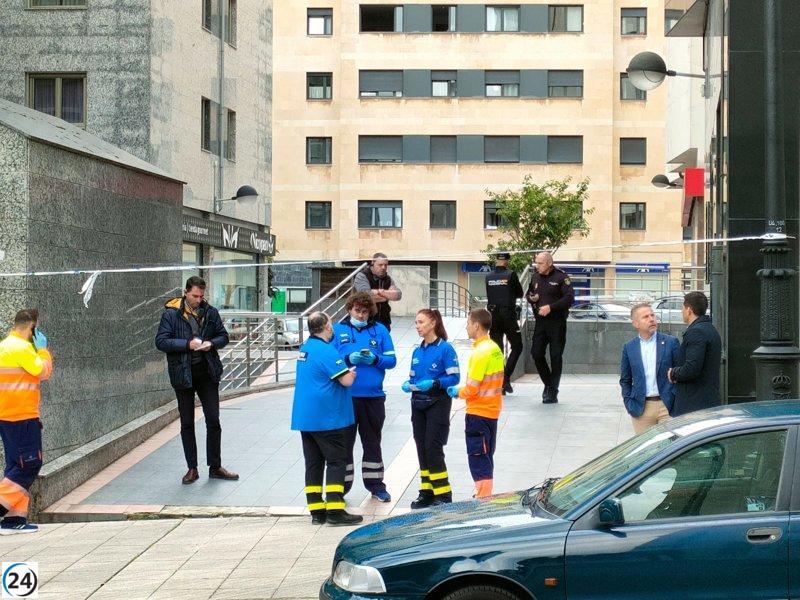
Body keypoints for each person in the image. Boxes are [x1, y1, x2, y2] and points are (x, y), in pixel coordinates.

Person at [155, 276, 239, 485]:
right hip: (183, 374)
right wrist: (187, 344)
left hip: (207, 373)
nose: (198, 300)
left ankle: (215, 466)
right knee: (187, 423)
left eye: (201, 296)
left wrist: (211, 343)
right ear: (185, 292)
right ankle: (192, 468)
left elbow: (224, 336)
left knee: (213, 420)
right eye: (195, 296)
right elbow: (161, 341)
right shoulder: (171, 314)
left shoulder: (211, 312)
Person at [292, 312, 363, 526]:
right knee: (336, 461)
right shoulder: (326, 351)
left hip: (306, 417)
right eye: (330, 324)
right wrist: (352, 372)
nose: (332, 328)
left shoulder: (305, 349)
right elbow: (346, 381)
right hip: (327, 418)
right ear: (327, 327)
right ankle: (334, 509)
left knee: (313, 463)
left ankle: (316, 511)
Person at [333, 292, 396, 502]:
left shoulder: (380, 330)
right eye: (357, 311)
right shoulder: (337, 330)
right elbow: (329, 360)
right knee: (344, 444)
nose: (361, 315)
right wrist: (347, 358)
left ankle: (376, 486)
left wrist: (375, 359)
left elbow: (392, 360)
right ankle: (340, 488)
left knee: (372, 443)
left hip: (373, 398)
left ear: (370, 312)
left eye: (365, 311)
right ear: (349, 309)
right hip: (345, 398)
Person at [0, 309, 53, 534]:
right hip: (22, 416)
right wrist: (42, 349)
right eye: (36, 330)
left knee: (16, 466)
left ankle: (14, 520)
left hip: (9, 415)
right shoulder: (22, 348)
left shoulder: (5, 345)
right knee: (28, 465)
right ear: (32, 327)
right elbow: (42, 372)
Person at [401, 309, 460, 509]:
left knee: (433, 447)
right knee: (421, 447)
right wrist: (409, 384)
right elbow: (413, 377)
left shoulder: (446, 349)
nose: (416, 326)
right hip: (418, 403)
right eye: (416, 322)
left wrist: (434, 383)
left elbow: (454, 378)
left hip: (437, 402)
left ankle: (443, 494)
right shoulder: (418, 350)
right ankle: (426, 491)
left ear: (433, 323)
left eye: (420, 322)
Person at [447, 309, 504, 498]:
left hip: (478, 413)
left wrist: (457, 392)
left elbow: (472, 389)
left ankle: (482, 497)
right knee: (487, 456)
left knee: (478, 457)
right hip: (492, 412)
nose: (466, 326)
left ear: (476, 325)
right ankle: (484, 493)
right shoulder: (495, 348)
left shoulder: (480, 353)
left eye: (468, 323)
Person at [620, 304, 680, 435]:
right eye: (645, 317)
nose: (651, 319)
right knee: (646, 452)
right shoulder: (629, 347)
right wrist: (629, 402)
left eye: (652, 315)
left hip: (667, 406)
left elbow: (680, 373)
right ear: (635, 323)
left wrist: (675, 398)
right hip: (642, 408)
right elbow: (625, 379)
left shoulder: (671, 342)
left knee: (670, 448)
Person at [526, 251, 574, 404]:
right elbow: (529, 293)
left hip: (557, 322)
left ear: (549, 263)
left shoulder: (561, 277)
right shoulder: (535, 276)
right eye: (536, 263)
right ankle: (549, 385)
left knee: (555, 356)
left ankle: (552, 391)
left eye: (540, 263)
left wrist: (551, 307)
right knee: (536, 353)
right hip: (541, 321)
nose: (537, 266)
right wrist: (532, 298)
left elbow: (569, 298)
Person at [668, 292, 722, 416]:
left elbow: (692, 368)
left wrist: (673, 373)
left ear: (689, 310)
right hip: (704, 401)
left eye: (682, 308)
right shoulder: (709, 328)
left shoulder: (697, 332)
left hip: (694, 404)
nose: (681, 312)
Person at [485, 251, 524, 395]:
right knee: (517, 346)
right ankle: (505, 379)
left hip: (493, 315)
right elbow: (520, 293)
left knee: (498, 351)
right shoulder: (511, 275)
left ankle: (502, 382)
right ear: (507, 261)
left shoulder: (488, 277)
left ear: (496, 260)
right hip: (508, 315)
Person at [353, 253, 402, 331]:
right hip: (365, 319)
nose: (383, 267)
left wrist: (381, 292)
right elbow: (366, 296)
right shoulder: (362, 276)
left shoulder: (388, 279)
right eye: (380, 265)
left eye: (386, 265)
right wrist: (387, 295)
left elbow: (398, 295)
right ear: (373, 263)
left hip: (384, 320)